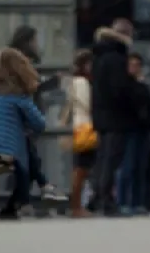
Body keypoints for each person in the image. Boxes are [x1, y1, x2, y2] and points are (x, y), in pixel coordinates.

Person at [0, 48, 48, 220]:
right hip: (7, 159)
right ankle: (17, 204)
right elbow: (40, 125)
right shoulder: (18, 97)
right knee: (26, 151)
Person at [90, 19, 144, 216]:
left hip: (101, 115)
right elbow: (120, 89)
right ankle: (105, 198)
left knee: (104, 157)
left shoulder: (100, 56)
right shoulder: (117, 58)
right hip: (116, 116)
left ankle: (98, 195)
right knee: (111, 159)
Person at [7, 25, 66, 203]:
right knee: (26, 159)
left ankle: (19, 199)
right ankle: (35, 190)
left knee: (25, 159)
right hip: (22, 116)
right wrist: (54, 81)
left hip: (25, 116)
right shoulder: (19, 61)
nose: (36, 43)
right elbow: (30, 87)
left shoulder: (20, 60)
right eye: (34, 40)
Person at [117, 52, 150, 216]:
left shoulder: (143, 86)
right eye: (132, 65)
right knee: (128, 166)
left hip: (142, 129)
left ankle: (138, 201)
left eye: (137, 65)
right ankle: (123, 201)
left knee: (140, 167)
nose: (135, 68)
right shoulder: (124, 87)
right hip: (128, 129)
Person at [64, 50, 96, 218]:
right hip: (84, 126)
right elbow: (86, 104)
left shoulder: (76, 81)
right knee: (81, 168)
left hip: (80, 126)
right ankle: (76, 206)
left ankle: (78, 204)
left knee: (82, 168)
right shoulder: (82, 82)